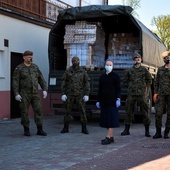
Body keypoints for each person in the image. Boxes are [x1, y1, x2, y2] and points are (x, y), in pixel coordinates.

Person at [12, 50, 48, 136]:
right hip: (24, 94)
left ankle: (40, 129)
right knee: (24, 111)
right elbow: (15, 81)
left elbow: (41, 79)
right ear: (24, 57)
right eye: (28, 57)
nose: (30, 58)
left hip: (35, 93)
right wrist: (16, 93)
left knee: (38, 111)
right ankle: (26, 129)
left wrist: (44, 89)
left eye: (31, 57)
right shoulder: (19, 68)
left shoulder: (35, 67)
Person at [121, 53, 152, 137]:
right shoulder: (129, 70)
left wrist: (144, 87)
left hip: (141, 94)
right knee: (128, 112)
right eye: (135, 59)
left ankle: (147, 131)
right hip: (131, 94)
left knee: (145, 112)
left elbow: (149, 80)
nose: (137, 60)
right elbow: (125, 81)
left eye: (138, 59)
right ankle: (126, 129)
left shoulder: (144, 70)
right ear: (133, 60)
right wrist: (131, 87)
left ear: (141, 60)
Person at [60, 56, 90, 134]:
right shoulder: (68, 71)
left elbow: (87, 83)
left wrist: (87, 94)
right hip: (70, 94)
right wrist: (63, 93)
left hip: (79, 94)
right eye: (73, 61)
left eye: (76, 60)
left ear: (79, 61)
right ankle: (65, 128)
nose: (75, 62)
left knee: (82, 111)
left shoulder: (82, 71)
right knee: (67, 111)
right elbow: (63, 82)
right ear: (72, 62)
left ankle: (84, 128)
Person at [96, 59, 121, 145]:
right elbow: (99, 89)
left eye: (110, 65)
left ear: (112, 66)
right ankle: (111, 137)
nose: (108, 66)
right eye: (107, 65)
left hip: (112, 101)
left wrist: (118, 99)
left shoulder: (115, 76)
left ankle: (108, 137)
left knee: (111, 119)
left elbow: (118, 89)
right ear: (105, 66)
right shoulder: (102, 76)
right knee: (106, 120)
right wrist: (98, 100)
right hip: (104, 101)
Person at [153, 50, 170, 139]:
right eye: (165, 58)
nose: (166, 59)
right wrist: (155, 93)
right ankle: (158, 132)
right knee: (158, 113)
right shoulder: (160, 69)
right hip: (161, 94)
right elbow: (156, 82)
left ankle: (166, 132)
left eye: (168, 57)